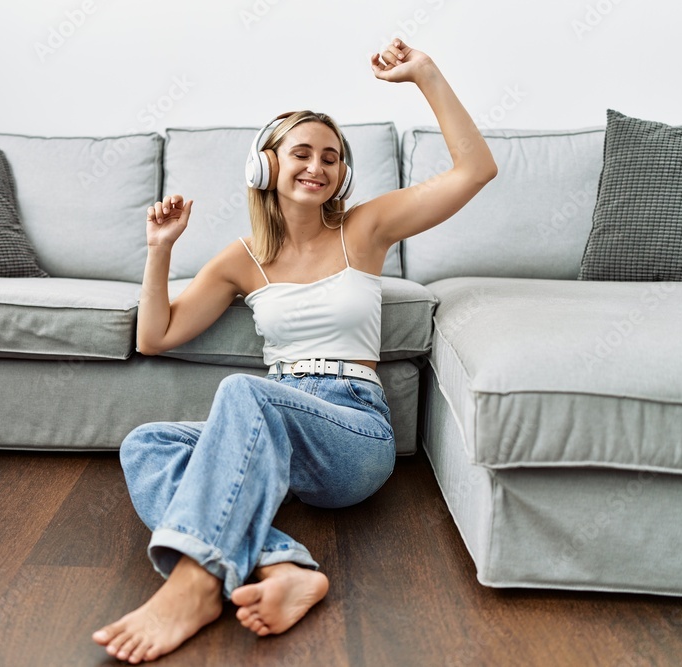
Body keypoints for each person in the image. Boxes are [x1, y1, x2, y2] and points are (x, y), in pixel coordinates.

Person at [92, 38, 498, 664]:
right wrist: (160, 249)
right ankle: (287, 566)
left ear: (343, 176)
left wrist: (427, 76)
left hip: (353, 431)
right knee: (146, 443)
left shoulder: (366, 227)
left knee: (244, 389)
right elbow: (155, 337)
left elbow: (475, 172)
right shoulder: (241, 260)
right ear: (267, 167)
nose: (318, 166)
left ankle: (197, 584)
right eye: (301, 153)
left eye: (332, 158)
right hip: (274, 435)